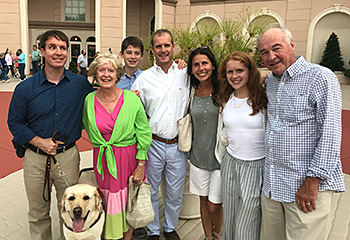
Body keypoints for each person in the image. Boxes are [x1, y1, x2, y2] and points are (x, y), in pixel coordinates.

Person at [258, 27, 345, 240]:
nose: (271, 56)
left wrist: (312, 180)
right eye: (264, 52)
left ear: (292, 45)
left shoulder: (321, 77)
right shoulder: (270, 82)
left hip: (304, 187)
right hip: (272, 186)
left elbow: (331, 133)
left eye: (276, 48)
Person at [7, 30, 94, 240]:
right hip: (35, 158)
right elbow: (15, 123)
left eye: (63, 48)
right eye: (52, 47)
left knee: (72, 211)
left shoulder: (80, 85)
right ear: (42, 51)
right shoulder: (25, 88)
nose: (58, 52)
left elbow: (103, 101)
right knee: (38, 213)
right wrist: (39, 141)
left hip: (68, 156)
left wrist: (130, 94)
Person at [82, 51, 152, 240]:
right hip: (103, 161)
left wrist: (141, 164)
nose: (106, 74)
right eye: (101, 70)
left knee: (126, 203)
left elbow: (144, 133)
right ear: (95, 73)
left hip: (128, 161)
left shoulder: (131, 99)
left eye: (111, 70)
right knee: (104, 204)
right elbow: (87, 128)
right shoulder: (89, 100)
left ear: (117, 74)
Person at [131, 29, 189, 240]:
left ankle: (170, 228)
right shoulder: (144, 79)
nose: (163, 50)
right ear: (152, 50)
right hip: (153, 144)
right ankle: (153, 230)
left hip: (178, 146)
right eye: (159, 46)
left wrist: (185, 63)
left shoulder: (185, 73)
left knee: (175, 193)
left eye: (167, 45)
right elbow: (134, 110)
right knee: (151, 191)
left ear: (173, 47)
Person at [216, 51, 267, 240]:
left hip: (255, 165)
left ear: (250, 71)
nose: (234, 76)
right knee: (229, 217)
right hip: (230, 163)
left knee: (248, 220)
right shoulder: (226, 98)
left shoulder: (263, 98)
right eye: (230, 72)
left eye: (240, 70)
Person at [186, 46, 223, 240]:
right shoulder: (190, 92)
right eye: (196, 64)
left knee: (215, 203)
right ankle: (208, 236)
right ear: (191, 69)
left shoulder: (224, 90)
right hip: (198, 157)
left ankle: (219, 235)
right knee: (203, 200)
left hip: (219, 158)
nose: (201, 68)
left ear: (213, 66)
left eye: (205, 63)